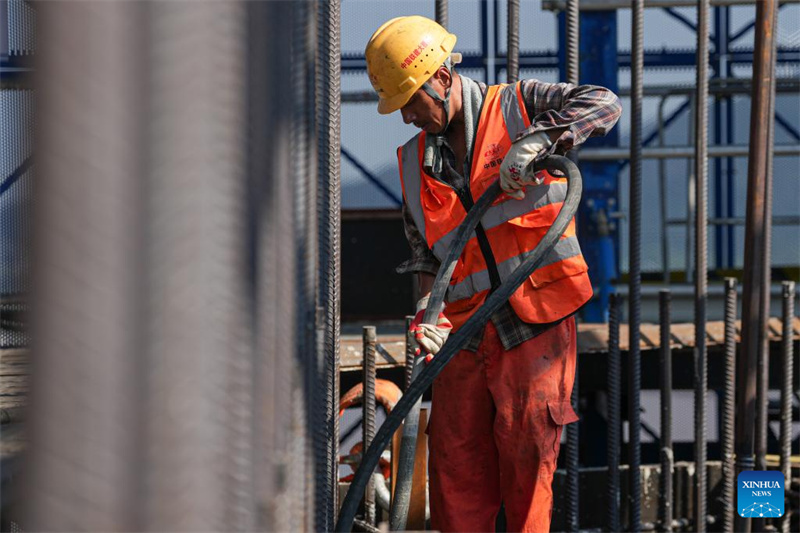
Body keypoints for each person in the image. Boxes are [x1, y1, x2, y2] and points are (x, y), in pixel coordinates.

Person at [365, 15, 621, 533]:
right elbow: (424, 255)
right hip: (460, 338)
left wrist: (542, 141)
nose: (409, 117)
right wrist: (424, 317)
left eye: (412, 100)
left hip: (533, 322)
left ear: (441, 77)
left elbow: (604, 102)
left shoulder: (520, 104)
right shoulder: (413, 162)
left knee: (528, 460)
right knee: (456, 471)